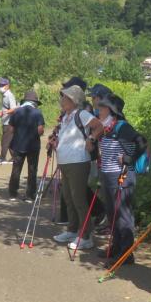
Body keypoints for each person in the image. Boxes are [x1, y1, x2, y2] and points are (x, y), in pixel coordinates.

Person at [95, 93, 147, 267]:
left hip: (122, 176)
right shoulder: (108, 127)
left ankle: (125, 255)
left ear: (111, 110)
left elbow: (141, 142)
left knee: (122, 216)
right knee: (112, 214)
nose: (98, 110)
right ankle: (116, 249)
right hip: (109, 175)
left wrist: (128, 159)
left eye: (101, 108)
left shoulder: (122, 127)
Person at [53, 85, 103, 251]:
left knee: (79, 199)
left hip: (78, 162)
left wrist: (91, 138)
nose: (62, 100)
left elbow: (99, 126)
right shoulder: (66, 116)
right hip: (66, 163)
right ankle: (73, 230)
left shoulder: (81, 114)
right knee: (68, 197)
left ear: (74, 100)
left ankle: (86, 236)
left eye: (65, 98)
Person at [7, 89, 45, 201]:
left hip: (18, 145)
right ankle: (30, 195)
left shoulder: (17, 112)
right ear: (35, 103)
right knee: (32, 170)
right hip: (33, 145)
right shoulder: (38, 113)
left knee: (16, 169)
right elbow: (40, 131)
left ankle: (13, 194)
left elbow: (10, 129)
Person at [0, 78, 17, 165]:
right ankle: (15, 157)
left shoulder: (9, 95)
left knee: (4, 141)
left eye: (2, 85)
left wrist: (4, 112)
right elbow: (4, 110)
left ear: (7, 86)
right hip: (5, 121)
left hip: (9, 122)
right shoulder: (4, 96)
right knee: (9, 141)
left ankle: (2, 158)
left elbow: (14, 109)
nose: (0, 87)